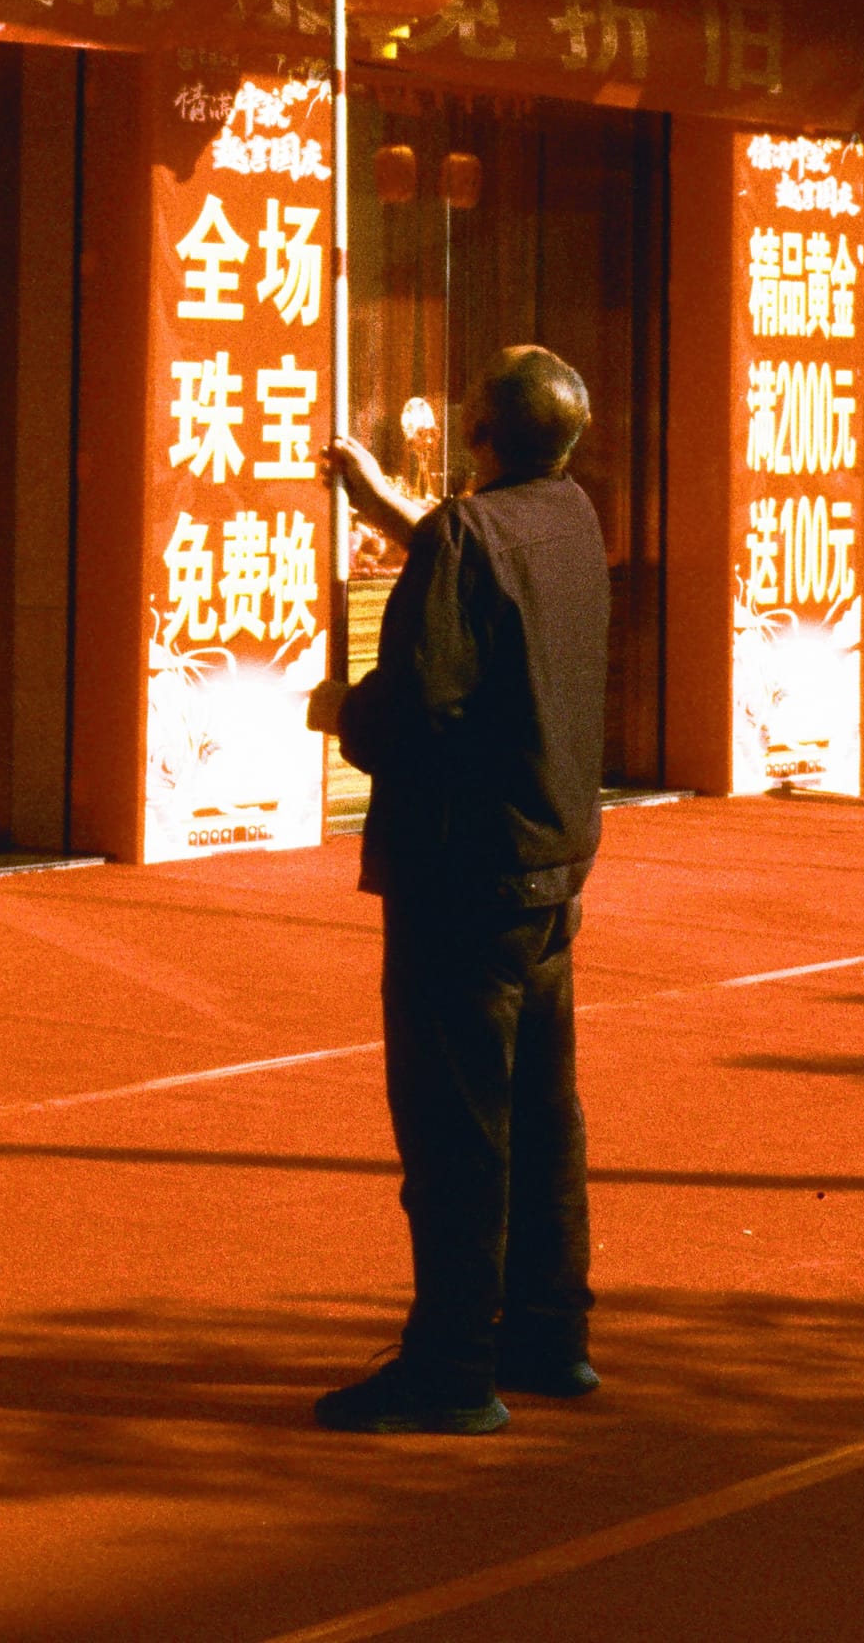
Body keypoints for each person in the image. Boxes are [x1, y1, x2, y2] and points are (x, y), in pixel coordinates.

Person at [308, 344, 610, 1436]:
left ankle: (449, 1364)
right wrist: (392, 511)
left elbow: (419, 704)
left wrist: (342, 708)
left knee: (454, 1128)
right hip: (549, 860)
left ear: (480, 434)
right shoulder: (571, 517)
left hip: (463, 869)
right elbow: (482, 563)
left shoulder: (464, 539)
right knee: (542, 1116)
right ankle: (548, 1334)